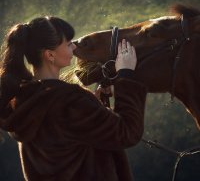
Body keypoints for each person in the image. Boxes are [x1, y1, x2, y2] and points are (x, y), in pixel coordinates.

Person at [0, 16, 147, 181]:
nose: (74, 46)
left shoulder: (23, 100)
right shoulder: (70, 102)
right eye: (69, 43)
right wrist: (126, 75)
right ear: (50, 55)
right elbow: (127, 133)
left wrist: (97, 106)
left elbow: (72, 142)